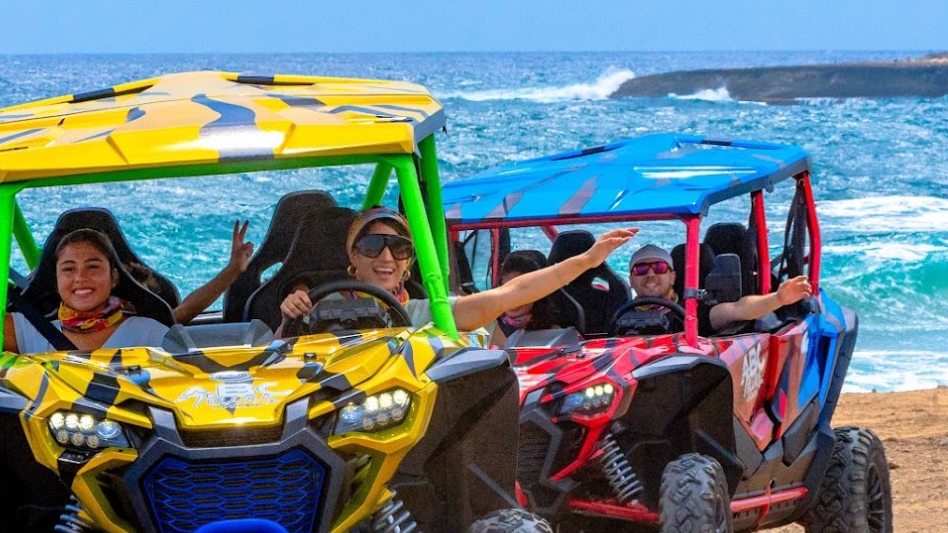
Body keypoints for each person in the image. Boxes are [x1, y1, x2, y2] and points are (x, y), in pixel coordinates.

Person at [0, 198, 253, 353]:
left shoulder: (147, 331)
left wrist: (234, 272)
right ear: (56, 280)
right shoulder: (28, 334)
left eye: (93, 267)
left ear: (113, 278)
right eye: (68, 268)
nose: (81, 278)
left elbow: (183, 322)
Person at [278, 207, 637, 335]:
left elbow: (509, 295)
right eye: (373, 246)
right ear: (353, 257)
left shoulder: (428, 314)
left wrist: (587, 261)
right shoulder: (318, 308)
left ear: (407, 264)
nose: (386, 256)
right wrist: (289, 316)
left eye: (399, 247)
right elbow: (276, 363)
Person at [624, 243, 813, 333]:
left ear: (672, 276)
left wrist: (778, 298)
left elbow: (737, 309)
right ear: (631, 280)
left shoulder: (690, 313)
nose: (650, 275)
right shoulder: (617, 315)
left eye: (659, 268)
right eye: (640, 269)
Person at [487, 249, 572, 345]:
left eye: (521, 290)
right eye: (507, 289)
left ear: (540, 292)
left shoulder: (557, 334)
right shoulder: (483, 323)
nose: (512, 298)